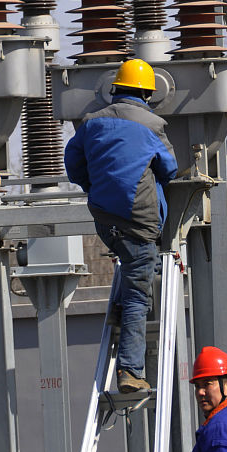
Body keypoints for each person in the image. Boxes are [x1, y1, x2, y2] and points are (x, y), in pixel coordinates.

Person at [64, 58, 177, 395]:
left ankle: (120, 308)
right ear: (148, 93)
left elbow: (74, 165)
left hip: (104, 219)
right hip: (139, 222)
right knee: (140, 298)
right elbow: (169, 169)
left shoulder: (91, 123)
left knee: (133, 268)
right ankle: (130, 371)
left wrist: (95, 186)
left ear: (115, 89)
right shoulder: (152, 124)